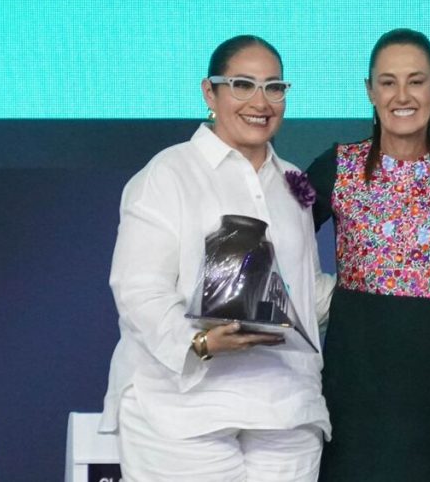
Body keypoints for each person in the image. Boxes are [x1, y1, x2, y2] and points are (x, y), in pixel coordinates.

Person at [99, 35, 335, 481]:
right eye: (242, 85)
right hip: (180, 405)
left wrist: (374, 289)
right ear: (210, 92)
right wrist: (200, 342)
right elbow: (138, 287)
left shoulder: (293, 182)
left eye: (274, 87)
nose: (260, 102)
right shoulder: (168, 173)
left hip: (285, 404)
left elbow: (304, 288)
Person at [305, 28, 430, 481]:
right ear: (370, 91)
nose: (402, 95)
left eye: (416, 81)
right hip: (353, 386)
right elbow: (276, 239)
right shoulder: (338, 167)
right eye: (388, 82)